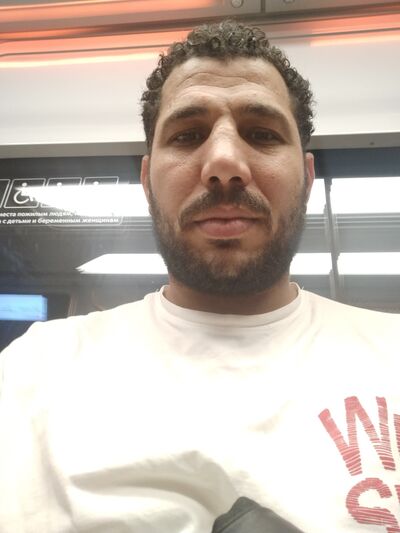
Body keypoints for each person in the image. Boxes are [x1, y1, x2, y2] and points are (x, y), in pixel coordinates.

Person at [0, 19, 399, 533]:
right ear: (147, 181)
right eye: (188, 135)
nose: (224, 162)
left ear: (306, 178)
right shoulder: (34, 372)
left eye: (261, 134)